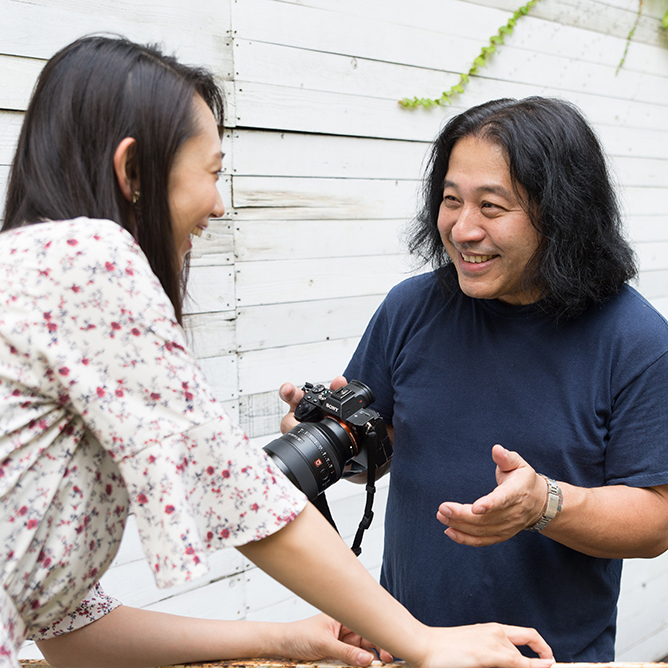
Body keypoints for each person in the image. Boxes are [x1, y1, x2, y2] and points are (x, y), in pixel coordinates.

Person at [0, 37, 555, 668]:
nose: (219, 202)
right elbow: (239, 492)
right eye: (211, 171)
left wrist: (284, 638)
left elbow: (69, 627)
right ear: (133, 173)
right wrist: (421, 642)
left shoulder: (35, 275)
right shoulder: (86, 262)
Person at [280, 97, 668, 663]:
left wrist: (545, 505)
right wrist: (326, 442)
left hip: (546, 656)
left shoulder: (635, 339)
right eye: (451, 201)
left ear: (562, 213)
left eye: (492, 207)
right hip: (408, 649)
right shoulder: (410, 308)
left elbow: (656, 520)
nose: (462, 229)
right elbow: (378, 453)